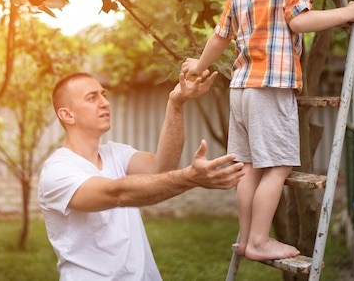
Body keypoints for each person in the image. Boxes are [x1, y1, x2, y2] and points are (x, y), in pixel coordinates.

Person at [181, 0, 354, 262]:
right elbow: (300, 22)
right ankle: (259, 240)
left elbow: (220, 37)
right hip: (272, 87)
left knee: (249, 168)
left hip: (241, 90)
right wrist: (347, 12)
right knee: (280, 166)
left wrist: (199, 65)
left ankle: (246, 235)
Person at [38, 71, 245, 280]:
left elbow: (162, 168)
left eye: (104, 94)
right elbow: (116, 194)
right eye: (92, 98)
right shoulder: (57, 170)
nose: (105, 103)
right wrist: (190, 178)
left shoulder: (115, 153)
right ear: (67, 115)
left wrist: (176, 103)